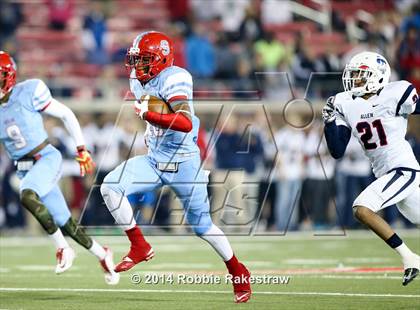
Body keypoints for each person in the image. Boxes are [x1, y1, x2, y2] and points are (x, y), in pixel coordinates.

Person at [100, 31, 251, 303]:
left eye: (144, 60)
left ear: (162, 59)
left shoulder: (176, 77)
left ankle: (237, 271)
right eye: (136, 60)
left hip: (184, 164)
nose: (138, 66)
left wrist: (148, 115)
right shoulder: (137, 79)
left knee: (202, 227)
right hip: (154, 159)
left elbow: (184, 122)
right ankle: (139, 245)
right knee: (110, 186)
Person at [0, 51, 119, 285]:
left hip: (45, 158)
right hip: (24, 167)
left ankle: (63, 248)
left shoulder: (28, 91)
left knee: (27, 195)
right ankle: (103, 254)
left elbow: (66, 114)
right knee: (65, 221)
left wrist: (81, 149)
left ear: (9, 76)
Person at [322, 51, 420, 286]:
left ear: (377, 76)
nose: (354, 79)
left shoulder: (397, 93)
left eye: (360, 75)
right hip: (384, 174)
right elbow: (337, 151)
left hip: (403, 168)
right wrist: (328, 124)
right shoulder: (345, 102)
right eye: (354, 74)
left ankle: (410, 259)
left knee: (362, 208)